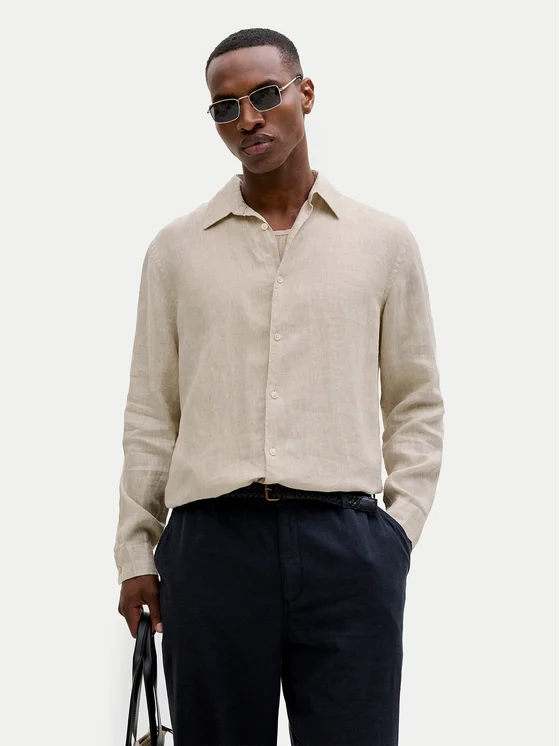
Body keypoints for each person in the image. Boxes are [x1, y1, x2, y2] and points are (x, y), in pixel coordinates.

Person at [114, 26, 445, 746]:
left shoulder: (382, 242)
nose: (248, 118)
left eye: (265, 95)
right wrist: (136, 553)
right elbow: (151, 413)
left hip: (347, 548)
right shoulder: (176, 251)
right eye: (225, 107)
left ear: (307, 93)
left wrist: (396, 534)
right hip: (211, 548)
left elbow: (415, 401)